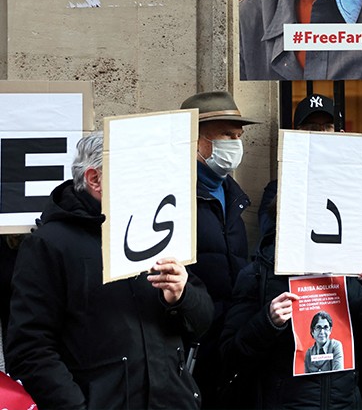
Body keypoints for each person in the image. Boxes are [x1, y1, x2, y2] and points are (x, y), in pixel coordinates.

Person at [5, 132, 213, 409]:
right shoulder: (50, 244)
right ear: (95, 179)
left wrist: (182, 296)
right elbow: (29, 348)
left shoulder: (157, 230)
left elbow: (202, 323)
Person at [219, 219, 362, 409]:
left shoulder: (354, 273)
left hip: (344, 403)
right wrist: (267, 322)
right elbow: (231, 355)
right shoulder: (258, 274)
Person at [180, 90, 259, 409]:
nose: (236, 143)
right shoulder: (173, 195)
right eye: (227, 134)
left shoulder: (233, 195)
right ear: (195, 139)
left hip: (231, 339)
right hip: (192, 344)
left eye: (238, 135)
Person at [258, 93, 341, 237]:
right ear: (297, 134)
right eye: (312, 127)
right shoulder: (276, 189)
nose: (321, 133)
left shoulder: (352, 183)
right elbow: (268, 232)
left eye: (328, 127)